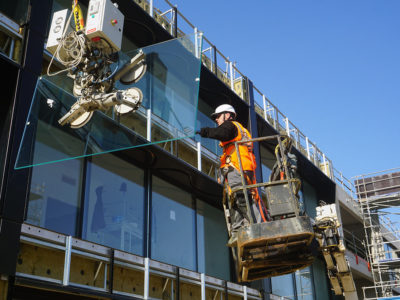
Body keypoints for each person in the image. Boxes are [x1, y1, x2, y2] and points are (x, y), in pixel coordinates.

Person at [196, 104, 263, 247]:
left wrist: (204, 131)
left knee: (240, 198)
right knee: (235, 199)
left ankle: (258, 228)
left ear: (228, 115)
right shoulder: (239, 130)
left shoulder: (231, 126)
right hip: (240, 168)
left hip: (238, 167)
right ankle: (237, 231)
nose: (217, 121)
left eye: (218, 117)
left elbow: (222, 133)